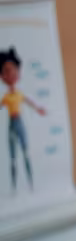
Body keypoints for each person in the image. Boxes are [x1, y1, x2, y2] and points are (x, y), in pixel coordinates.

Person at [1, 47, 46, 192]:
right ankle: (14, 186)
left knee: (25, 152)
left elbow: (29, 102)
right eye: (6, 72)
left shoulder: (19, 94)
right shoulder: (6, 97)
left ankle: (31, 182)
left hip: (19, 122)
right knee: (13, 156)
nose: (10, 74)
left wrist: (39, 109)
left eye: (13, 70)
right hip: (11, 124)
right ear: (2, 76)